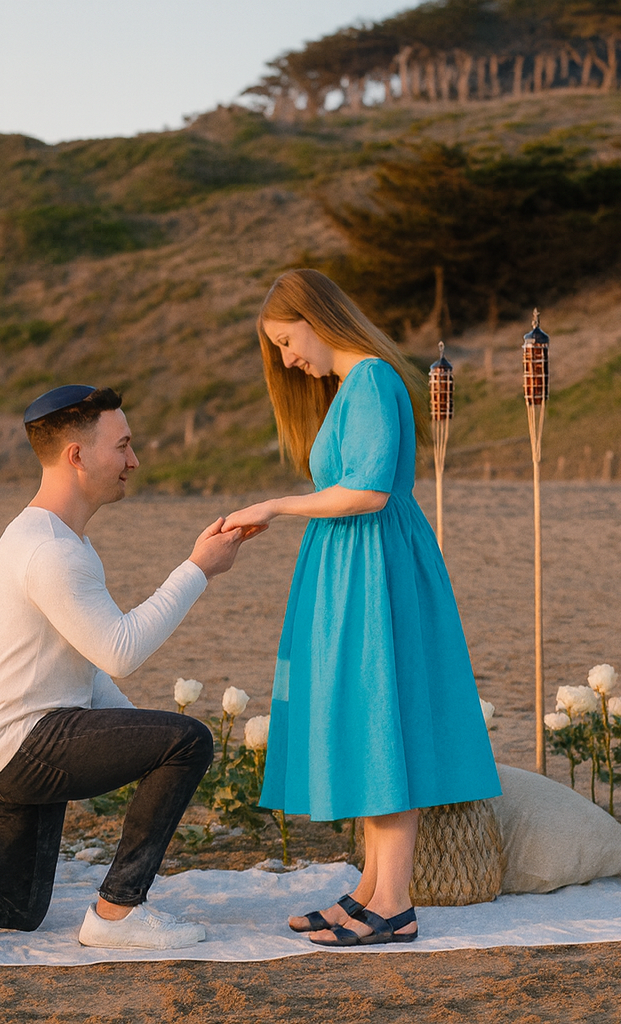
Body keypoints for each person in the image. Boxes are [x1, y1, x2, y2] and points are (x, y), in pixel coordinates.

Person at [0, 384, 256, 950]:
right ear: (77, 455)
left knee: (16, 909)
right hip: (22, 747)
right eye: (122, 446)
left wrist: (135, 739)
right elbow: (121, 651)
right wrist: (198, 568)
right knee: (189, 740)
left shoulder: (48, 538)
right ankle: (117, 915)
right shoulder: (51, 550)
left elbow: (83, 664)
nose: (134, 460)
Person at [222, 269, 501, 946]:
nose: (288, 359)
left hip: (375, 563)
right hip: (353, 564)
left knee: (382, 714)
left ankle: (395, 901)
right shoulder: (352, 387)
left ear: (318, 318)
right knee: (366, 712)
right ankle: (373, 889)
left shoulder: (371, 377)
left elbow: (369, 492)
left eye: (288, 341)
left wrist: (276, 504)